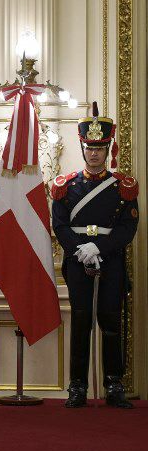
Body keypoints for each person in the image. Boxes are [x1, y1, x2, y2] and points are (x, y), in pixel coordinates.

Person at [51, 102, 138, 408]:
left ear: (108, 148)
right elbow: (59, 225)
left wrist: (98, 247)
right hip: (78, 262)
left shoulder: (123, 187)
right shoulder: (65, 186)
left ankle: (114, 386)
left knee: (111, 323)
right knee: (81, 321)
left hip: (110, 261)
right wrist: (81, 250)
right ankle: (77, 387)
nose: (95, 153)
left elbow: (128, 227)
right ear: (82, 147)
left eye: (101, 147)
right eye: (90, 147)